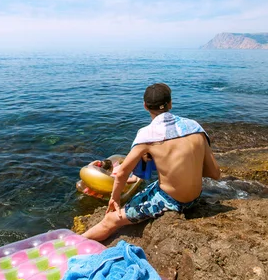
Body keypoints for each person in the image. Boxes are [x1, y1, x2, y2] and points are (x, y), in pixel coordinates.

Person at [83, 83, 220, 241]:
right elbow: (215, 174)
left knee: (110, 220)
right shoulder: (195, 126)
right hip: (196, 197)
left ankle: (72, 247)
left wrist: (115, 199)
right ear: (170, 103)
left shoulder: (147, 134)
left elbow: (121, 172)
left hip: (172, 201)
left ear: (145, 106)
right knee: (148, 158)